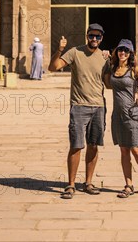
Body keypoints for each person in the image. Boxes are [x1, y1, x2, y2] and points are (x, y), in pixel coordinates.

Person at [48, 23, 109, 200]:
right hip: (79, 106)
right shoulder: (75, 52)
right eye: (92, 36)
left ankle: (88, 182)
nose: (94, 39)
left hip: (98, 106)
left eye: (98, 36)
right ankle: (71, 184)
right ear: (87, 36)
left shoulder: (104, 58)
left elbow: (109, 84)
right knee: (76, 145)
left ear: (102, 38)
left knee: (93, 145)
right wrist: (59, 50)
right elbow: (53, 67)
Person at [104, 38, 138, 198]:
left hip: (133, 114)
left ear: (130, 54)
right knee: (123, 150)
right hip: (118, 116)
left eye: (126, 51)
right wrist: (107, 65)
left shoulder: (134, 69)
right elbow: (108, 85)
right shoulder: (113, 69)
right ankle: (128, 185)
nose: (122, 53)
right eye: (120, 50)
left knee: (136, 148)